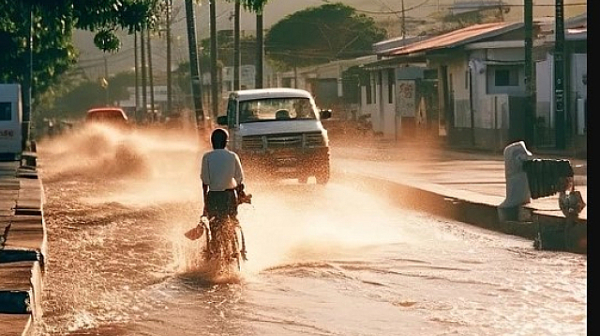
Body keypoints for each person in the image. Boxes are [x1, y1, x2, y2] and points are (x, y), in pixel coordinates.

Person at [201, 128, 245, 223]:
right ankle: (234, 231)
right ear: (226, 142)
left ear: (212, 142)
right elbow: (239, 178)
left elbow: (205, 181)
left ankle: (214, 237)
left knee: (213, 221)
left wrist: (205, 203)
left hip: (213, 196)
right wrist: (240, 192)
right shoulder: (232, 156)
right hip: (229, 196)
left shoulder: (207, 157)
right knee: (232, 220)